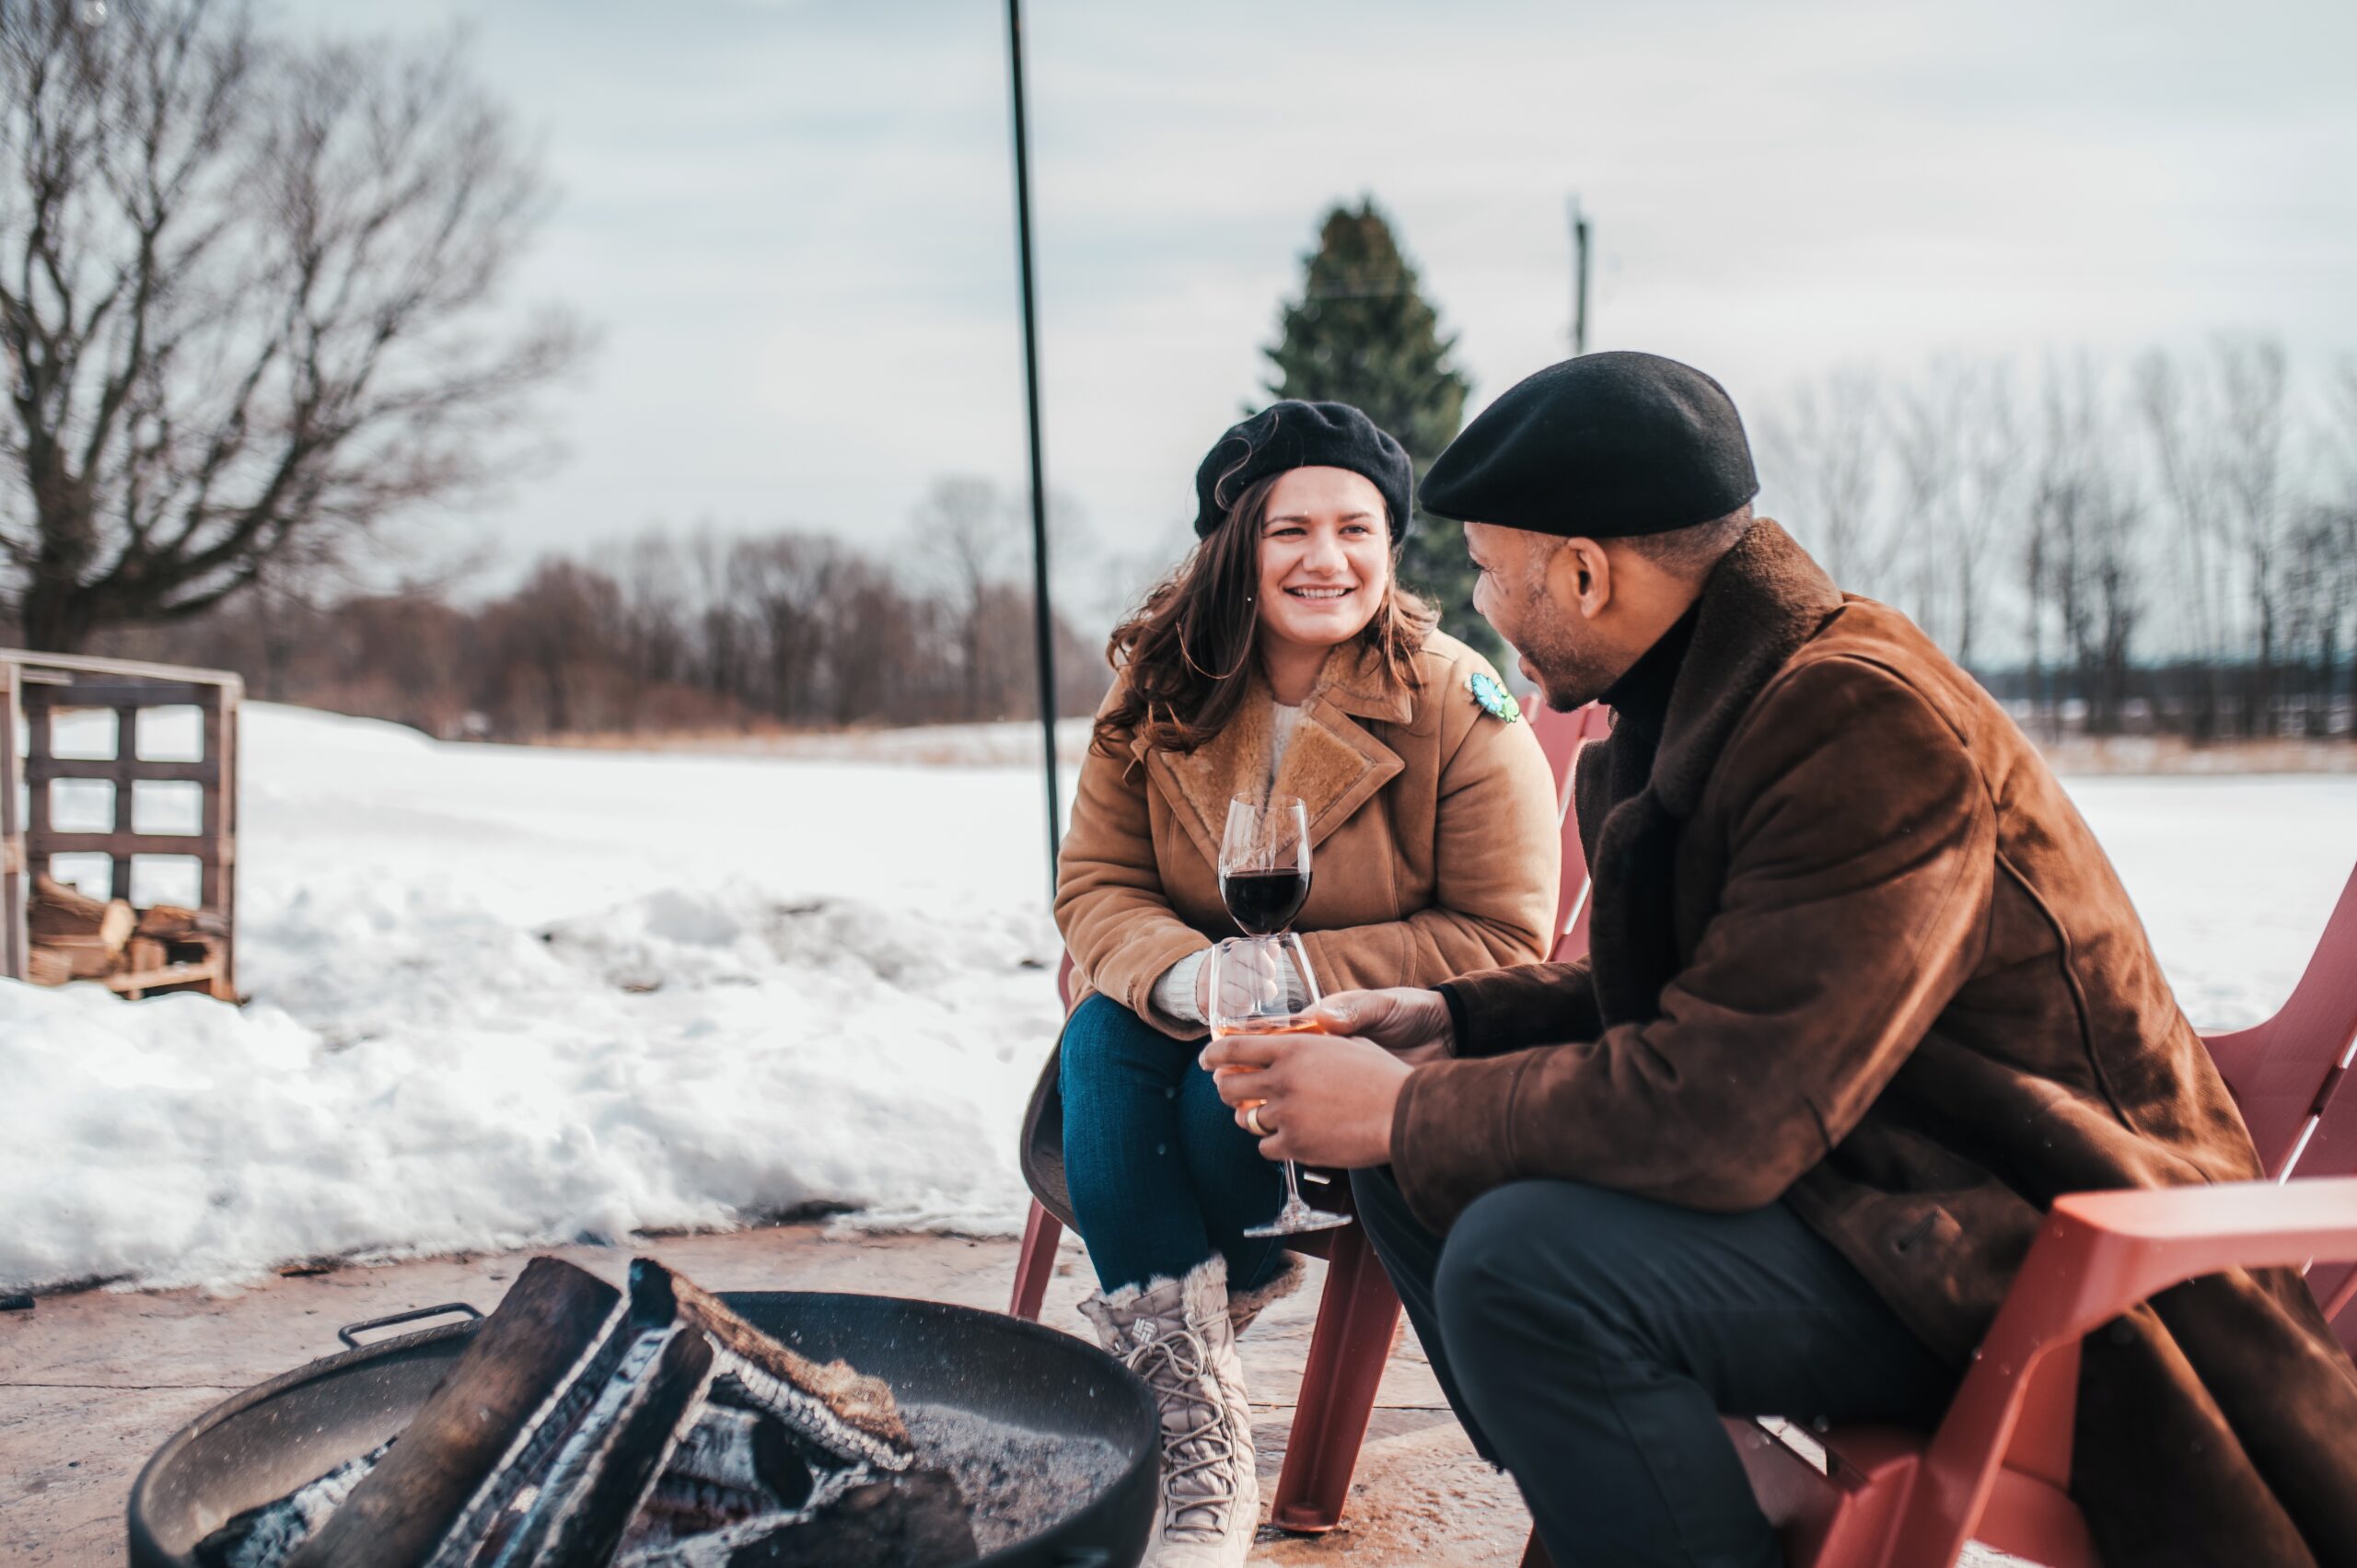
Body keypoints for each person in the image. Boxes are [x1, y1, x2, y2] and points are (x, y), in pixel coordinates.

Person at [1205, 353, 2357, 1568]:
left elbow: (1731, 1104)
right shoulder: (1710, 699)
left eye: (1494, 570)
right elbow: (1744, 998)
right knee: (1420, 1172)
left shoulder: (1862, 719)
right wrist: (1451, 1023)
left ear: (1587, 573)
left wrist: (1412, 1107)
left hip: (2030, 1250)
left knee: (1524, 1264)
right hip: (1871, 1183)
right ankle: (1638, 1507)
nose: (1483, 604)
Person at [1034, 399, 1561, 1567]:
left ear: (1390, 543)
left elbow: (1502, 935)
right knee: (1102, 1037)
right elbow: (1097, 886)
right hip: (1171, 1021)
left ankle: (1183, 1377)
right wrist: (1188, 977)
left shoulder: (1450, 699)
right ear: (1237, 545)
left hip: (1359, 1046)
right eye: (1291, 531)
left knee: (1207, 1074)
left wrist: (1288, 972)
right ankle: (1198, 1425)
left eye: (1357, 530)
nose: (1328, 560)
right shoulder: (1157, 690)